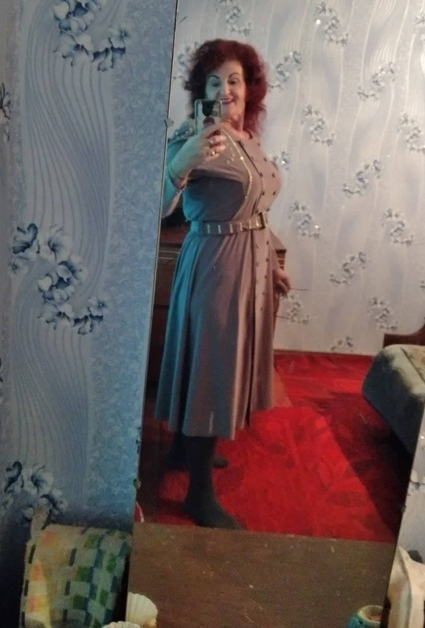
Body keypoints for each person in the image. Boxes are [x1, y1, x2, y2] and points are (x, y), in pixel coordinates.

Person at [155, 38, 291, 529]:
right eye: (214, 82)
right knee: (211, 371)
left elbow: (255, 211)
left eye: (234, 80)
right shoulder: (194, 136)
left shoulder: (247, 138)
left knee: (212, 364)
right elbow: (156, 205)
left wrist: (270, 268)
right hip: (214, 268)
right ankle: (198, 494)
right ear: (202, 91)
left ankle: (181, 448)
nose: (226, 90)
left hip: (247, 266)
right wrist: (183, 161)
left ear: (249, 88)